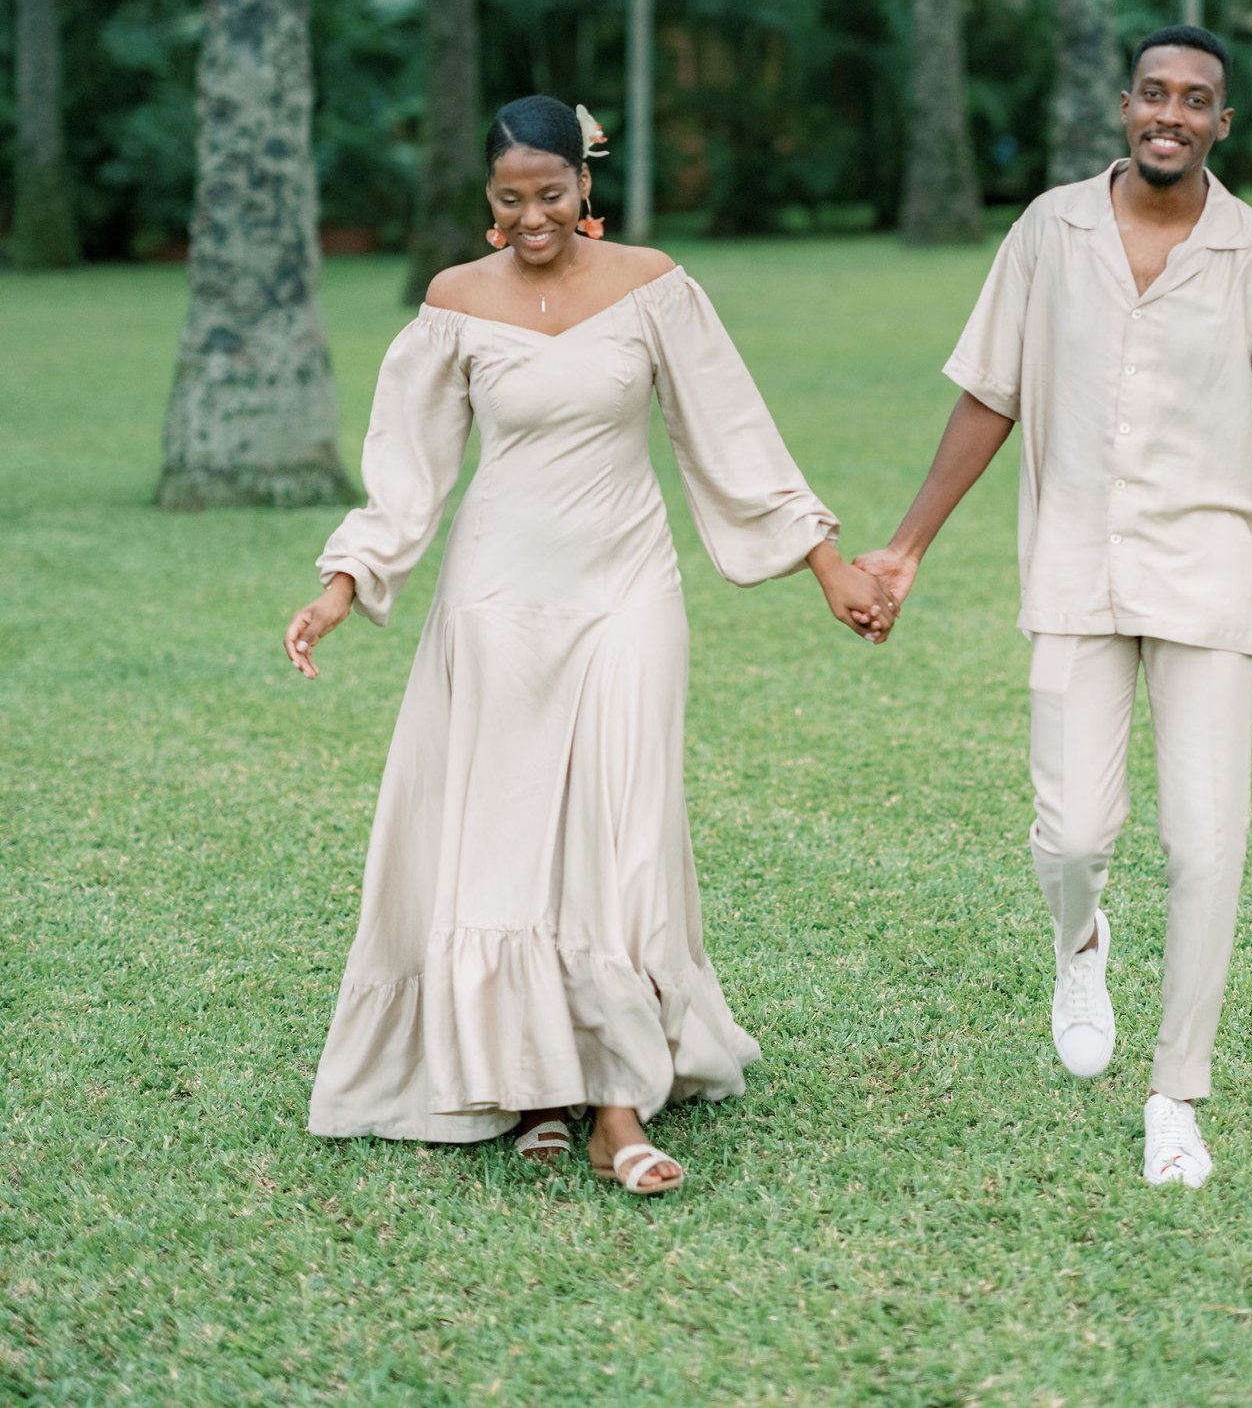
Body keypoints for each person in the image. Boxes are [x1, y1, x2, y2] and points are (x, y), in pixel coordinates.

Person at [284, 95, 892, 1197]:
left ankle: (615, 1105)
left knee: (625, 830)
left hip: (626, 585)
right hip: (498, 595)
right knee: (507, 837)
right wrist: (342, 587)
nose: (531, 218)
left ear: (585, 184)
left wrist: (826, 564)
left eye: (550, 195)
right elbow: (407, 470)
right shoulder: (453, 304)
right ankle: (533, 1086)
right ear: (487, 198)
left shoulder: (653, 286)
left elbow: (733, 435)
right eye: (509, 199)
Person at [857, 26, 1252, 1188]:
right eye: (1153, 93)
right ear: (1126, 106)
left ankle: (1176, 1093)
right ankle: (1079, 940)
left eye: (1197, 100)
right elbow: (991, 394)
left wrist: (1217, 481)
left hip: (1205, 580)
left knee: (1204, 844)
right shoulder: (1049, 230)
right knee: (1073, 832)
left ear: (1223, 123)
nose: (1170, 113)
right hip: (1075, 570)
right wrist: (907, 546)